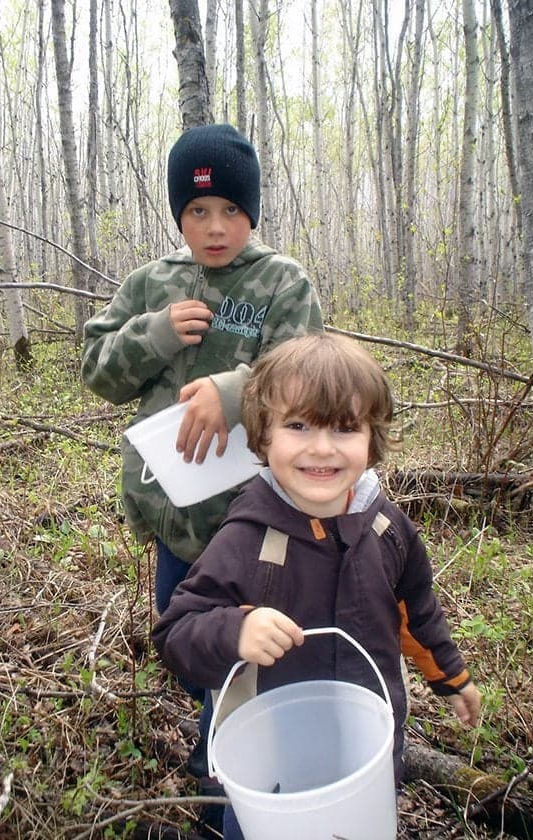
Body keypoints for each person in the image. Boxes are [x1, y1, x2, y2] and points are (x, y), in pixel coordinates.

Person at [153, 332, 482, 839]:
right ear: (263, 435)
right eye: (299, 425)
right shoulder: (246, 538)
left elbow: (416, 612)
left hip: (366, 753)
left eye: (345, 428)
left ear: (372, 439)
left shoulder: (387, 528)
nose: (321, 448)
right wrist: (236, 630)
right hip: (271, 769)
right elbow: (176, 633)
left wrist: (451, 678)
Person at [81, 124, 323, 789]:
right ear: (179, 214)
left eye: (231, 211)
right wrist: (153, 334)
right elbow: (98, 371)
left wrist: (236, 391)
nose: (214, 227)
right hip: (177, 523)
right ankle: (216, 726)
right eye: (197, 210)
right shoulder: (151, 284)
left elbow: (308, 383)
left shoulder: (280, 283)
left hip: (253, 524)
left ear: (252, 212)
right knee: (186, 642)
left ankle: (234, 768)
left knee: (246, 654)